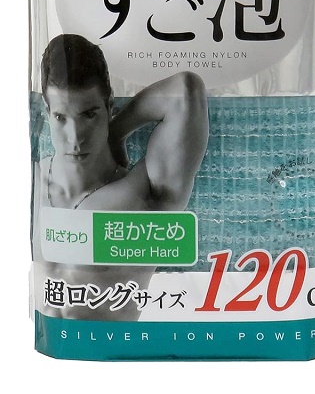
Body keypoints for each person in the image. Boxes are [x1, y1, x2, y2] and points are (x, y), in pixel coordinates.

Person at [33, 33, 209, 321]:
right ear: (47, 110)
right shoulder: (31, 180)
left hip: (112, 345)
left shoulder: (145, 194)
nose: (75, 138)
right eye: (61, 118)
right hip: (45, 344)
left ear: (109, 106)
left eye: (89, 115)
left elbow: (185, 91)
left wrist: (114, 134)